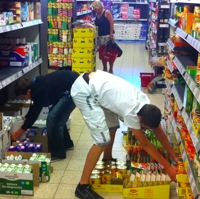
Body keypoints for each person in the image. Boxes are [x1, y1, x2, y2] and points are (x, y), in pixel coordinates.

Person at [71, 70, 178, 199]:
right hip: (85, 91)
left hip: (97, 86)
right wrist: (168, 167)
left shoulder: (146, 104)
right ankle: (82, 186)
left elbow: (158, 131)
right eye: (144, 128)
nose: (145, 130)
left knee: (113, 126)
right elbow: (145, 144)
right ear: (139, 119)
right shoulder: (131, 112)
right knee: (101, 140)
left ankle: (107, 159)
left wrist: (174, 156)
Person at [11, 70, 79, 161]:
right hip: (68, 87)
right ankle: (67, 144)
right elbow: (35, 106)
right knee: (56, 117)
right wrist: (27, 116)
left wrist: (18, 133)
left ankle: (58, 153)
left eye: (24, 96)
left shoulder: (39, 90)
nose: (24, 98)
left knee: (53, 120)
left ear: (28, 91)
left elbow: (35, 114)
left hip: (74, 90)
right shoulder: (36, 85)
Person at [91, 1, 115, 74]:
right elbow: (96, 24)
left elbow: (111, 22)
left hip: (108, 36)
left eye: (94, 8)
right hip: (100, 37)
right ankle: (105, 68)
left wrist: (111, 34)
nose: (94, 10)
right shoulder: (97, 14)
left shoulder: (106, 12)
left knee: (110, 53)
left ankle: (111, 69)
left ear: (98, 7)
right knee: (102, 54)